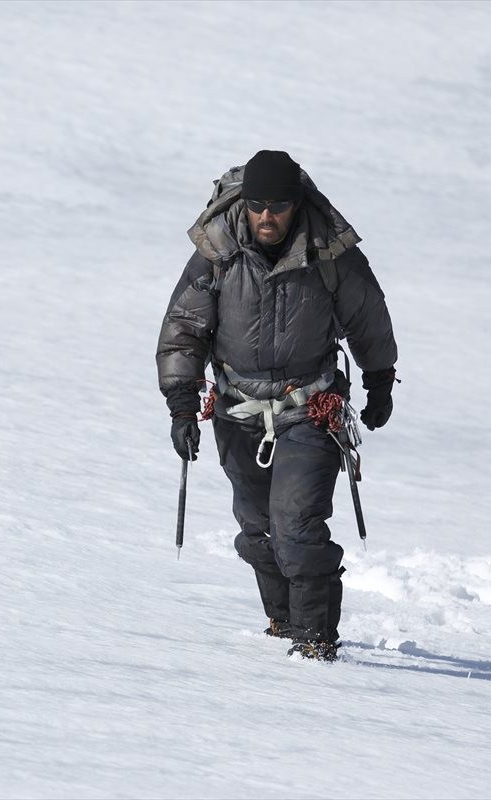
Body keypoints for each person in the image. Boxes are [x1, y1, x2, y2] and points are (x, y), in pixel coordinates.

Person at [156, 150, 398, 661]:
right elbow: (184, 330)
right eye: (259, 204)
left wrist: (380, 381)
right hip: (236, 412)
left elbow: (368, 317)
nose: (268, 216)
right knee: (259, 529)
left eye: (279, 205)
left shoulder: (330, 253)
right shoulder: (216, 253)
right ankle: (284, 623)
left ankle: (316, 641)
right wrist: (182, 404)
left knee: (297, 525)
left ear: (296, 204)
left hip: (310, 410)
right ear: (244, 203)